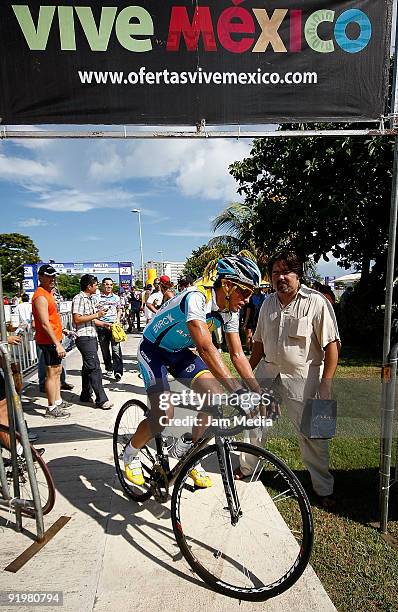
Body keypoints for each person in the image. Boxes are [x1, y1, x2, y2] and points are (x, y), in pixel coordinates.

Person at [123, 255, 265, 488]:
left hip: (178, 351)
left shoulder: (231, 309)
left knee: (214, 396)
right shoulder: (196, 298)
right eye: (245, 292)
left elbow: (238, 355)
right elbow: (206, 348)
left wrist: (258, 392)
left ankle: (187, 453)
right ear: (228, 285)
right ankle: (130, 454)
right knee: (163, 413)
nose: (247, 300)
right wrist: (240, 392)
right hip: (153, 349)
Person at [238, 251, 340, 509]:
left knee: (313, 434)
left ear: (298, 275)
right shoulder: (267, 304)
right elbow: (258, 345)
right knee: (253, 423)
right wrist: (247, 375)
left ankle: (322, 488)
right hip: (268, 373)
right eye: (275, 273)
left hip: (304, 379)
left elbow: (332, 345)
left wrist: (325, 383)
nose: (280, 277)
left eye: (286, 272)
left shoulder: (316, 303)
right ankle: (248, 468)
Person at [32, 264, 70, 418]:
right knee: (51, 373)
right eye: (49, 276)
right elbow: (44, 323)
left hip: (53, 338)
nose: (52, 279)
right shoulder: (40, 295)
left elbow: (52, 319)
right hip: (48, 341)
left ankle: (58, 400)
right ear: (40, 277)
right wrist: (57, 343)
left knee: (57, 371)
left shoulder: (48, 293)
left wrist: (62, 331)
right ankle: (51, 407)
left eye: (53, 276)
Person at [72, 275, 114, 410]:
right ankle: (101, 399)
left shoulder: (90, 299)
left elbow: (90, 319)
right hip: (83, 337)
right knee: (94, 367)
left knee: (88, 366)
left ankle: (85, 394)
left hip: (91, 335)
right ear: (89, 286)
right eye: (95, 285)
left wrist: (103, 323)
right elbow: (77, 319)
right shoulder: (79, 298)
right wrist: (97, 315)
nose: (97, 287)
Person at [95, 278, 123, 381]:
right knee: (105, 350)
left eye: (111, 285)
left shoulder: (116, 298)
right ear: (102, 285)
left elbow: (119, 309)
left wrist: (118, 320)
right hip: (102, 326)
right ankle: (108, 367)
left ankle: (118, 372)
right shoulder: (96, 297)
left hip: (114, 327)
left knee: (116, 350)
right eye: (106, 284)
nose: (109, 286)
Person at [242, 286, 266, 352]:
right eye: (254, 289)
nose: (255, 290)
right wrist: (245, 323)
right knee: (249, 335)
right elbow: (248, 311)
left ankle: (252, 349)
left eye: (256, 289)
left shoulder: (263, 297)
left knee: (254, 336)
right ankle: (248, 349)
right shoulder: (251, 297)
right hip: (251, 319)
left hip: (258, 319)